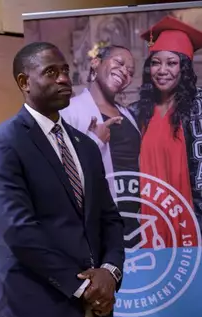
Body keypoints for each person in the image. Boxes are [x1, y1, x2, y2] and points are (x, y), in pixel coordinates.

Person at [0, 41, 125, 317]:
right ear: (24, 82)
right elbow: (18, 229)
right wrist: (83, 286)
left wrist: (109, 273)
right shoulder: (3, 142)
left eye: (65, 72)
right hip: (34, 315)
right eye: (50, 72)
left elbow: (110, 220)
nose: (63, 79)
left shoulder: (86, 145)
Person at [130, 15, 202, 249]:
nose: (162, 70)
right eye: (156, 62)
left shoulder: (198, 107)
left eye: (171, 63)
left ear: (184, 67)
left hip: (192, 215)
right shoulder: (137, 112)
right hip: (148, 217)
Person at [61, 42, 141, 247]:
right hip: (99, 220)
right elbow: (60, 172)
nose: (125, 72)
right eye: (119, 63)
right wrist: (94, 142)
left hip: (135, 219)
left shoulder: (128, 115)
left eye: (130, 72)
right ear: (96, 63)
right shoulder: (69, 111)